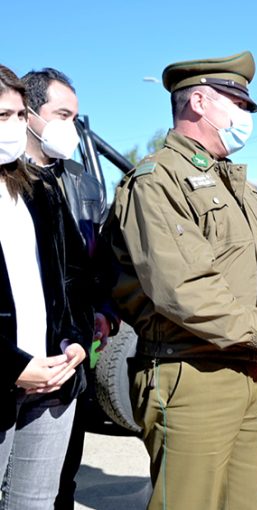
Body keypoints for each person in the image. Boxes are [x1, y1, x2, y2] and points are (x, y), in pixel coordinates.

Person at [101, 51, 257, 510]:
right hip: (189, 374)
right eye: (237, 103)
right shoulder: (156, 182)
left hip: (245, 370)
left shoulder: (243, 189)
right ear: (198, 102)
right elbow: (182, 287)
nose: (246, 116)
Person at [21, 67, 117, 510]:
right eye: (62, 114)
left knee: (58, 485)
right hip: (16, 361)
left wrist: (101, 313)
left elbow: (97, 260)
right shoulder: (11, 181)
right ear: (28, 113)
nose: (70, 128)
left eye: (75, 117)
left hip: (68, 362)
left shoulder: (81, 180)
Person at [0, 64, 91, 510]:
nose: (15, 127)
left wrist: (74, 338)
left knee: (37, 503)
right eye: (4, 116)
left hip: (53, 381)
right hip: (7, 377)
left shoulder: (40, 189)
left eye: (19, 115)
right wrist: (11, 365)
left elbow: (71, 275)